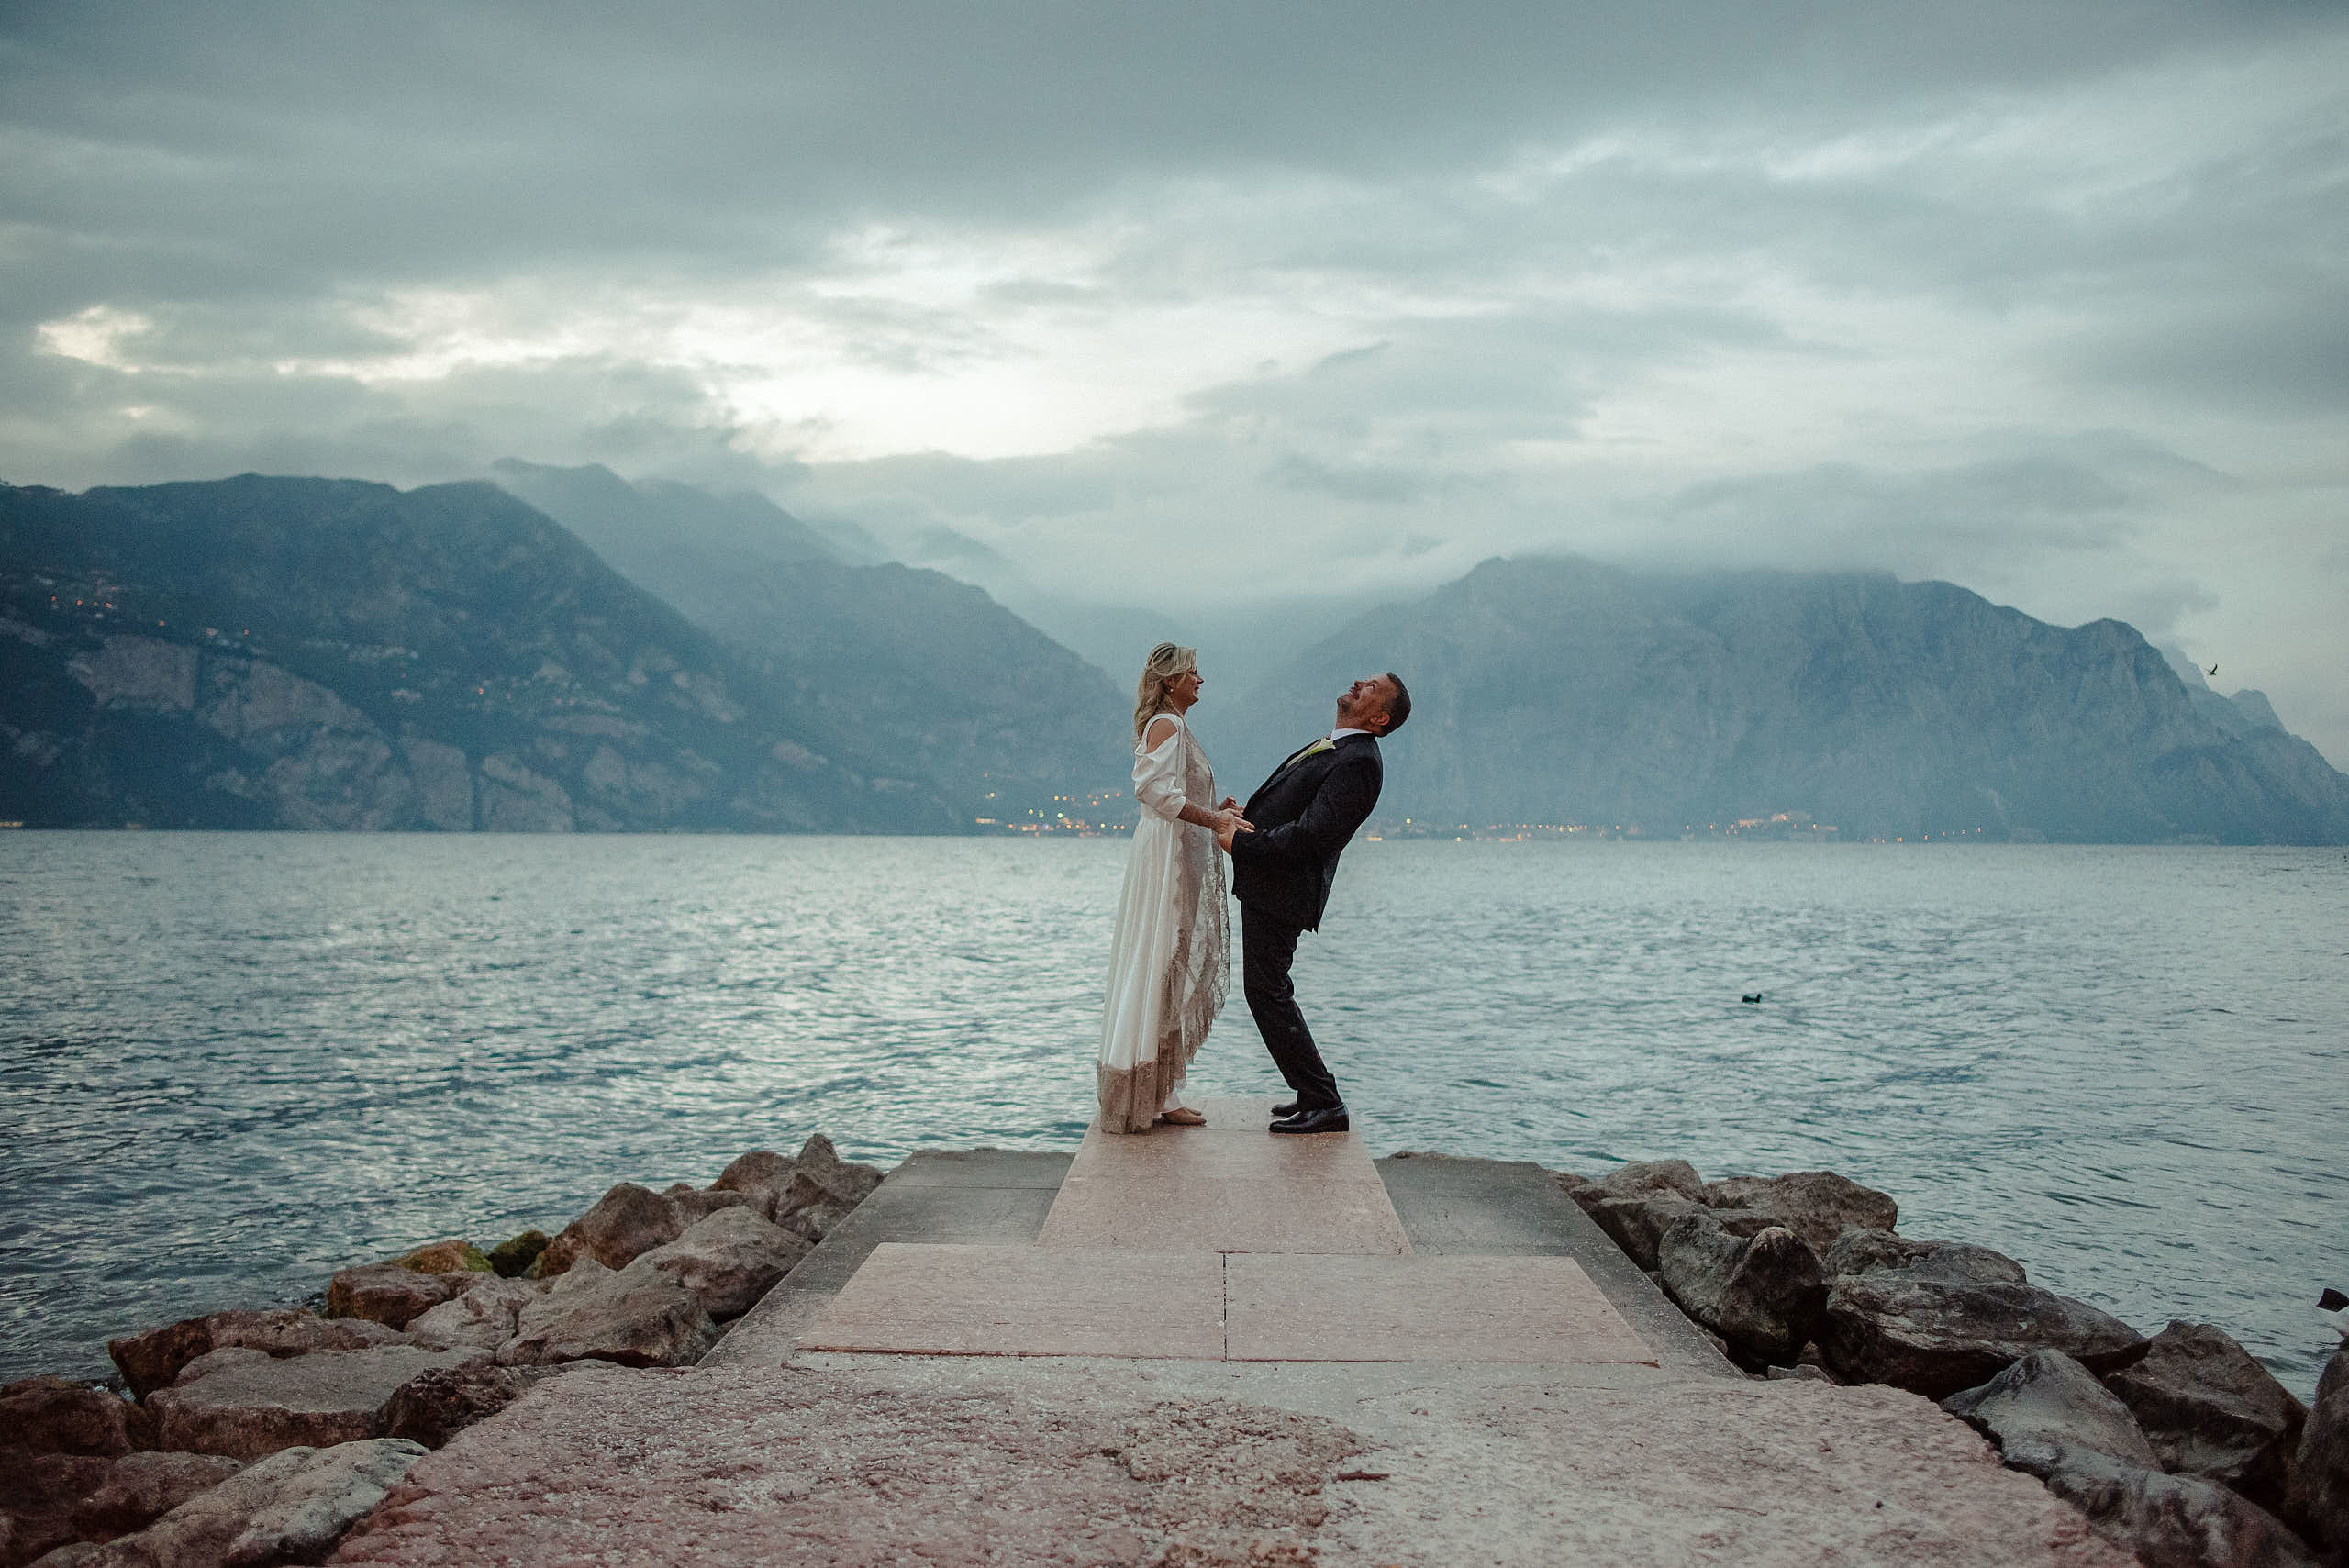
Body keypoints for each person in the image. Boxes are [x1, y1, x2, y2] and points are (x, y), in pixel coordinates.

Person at [1219, 672, 1409, 1134]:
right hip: (1271, 882)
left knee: (1266, 991)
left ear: (1379, 718)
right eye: (1364, 679)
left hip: (1284, 888)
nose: (1359, 684)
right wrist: (1248, 817)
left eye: (1372, 688)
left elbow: (1313, 836)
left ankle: (1324, 1100)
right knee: (1268, 990)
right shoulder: (1339, 746)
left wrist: (1241, 846)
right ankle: (1313, 1093)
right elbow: (1293, 807)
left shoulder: (1360, 762)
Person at [1096, 643, 1252, 1132]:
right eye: (1192, 673)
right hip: (1166, 857)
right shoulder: (1166, 725)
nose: (1199, 680)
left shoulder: (1174, 726)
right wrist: (1213, 817)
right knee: (1161, 957)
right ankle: (1152, 1092)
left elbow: (1175, 791)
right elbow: (1157, 793)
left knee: (1168, 961)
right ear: (1170, 682)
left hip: (1173, 849)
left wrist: (1213, 803)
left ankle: (1161, 1091)